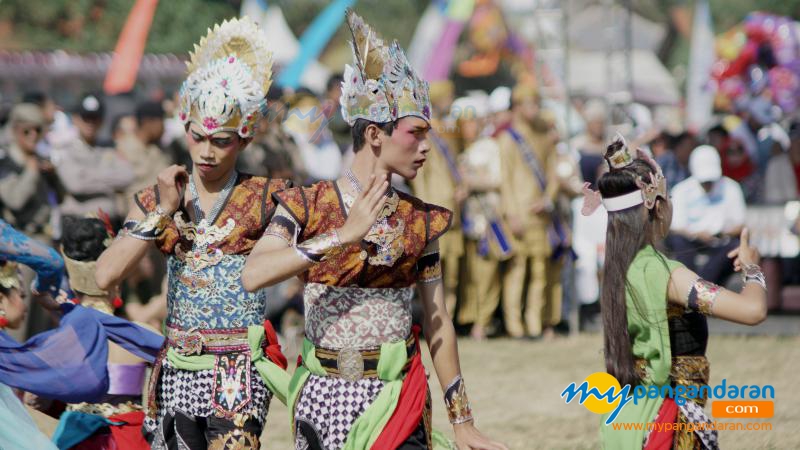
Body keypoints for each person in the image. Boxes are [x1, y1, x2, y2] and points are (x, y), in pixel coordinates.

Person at [242, 11, 506, 450]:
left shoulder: (420, 219)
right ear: (375, 135)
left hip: (398, 399)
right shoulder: (308, 204)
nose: (426, 146)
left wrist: (462, 420)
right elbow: (254, 274)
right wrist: (342, 236)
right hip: (324, 400)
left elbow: (438, 322)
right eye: (415, 133)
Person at [94, 17, 290, 449]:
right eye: (197, 136)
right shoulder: (158, 195)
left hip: (239, 369)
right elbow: (106, 275)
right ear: (184, 126)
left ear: (244, 138)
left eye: (220, 140)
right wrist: (163, 212)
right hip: (178, 366)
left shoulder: (267, 196)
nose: (206, 151)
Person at [582, 136, 767, 448]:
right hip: (666, 425)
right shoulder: (667, 275)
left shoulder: (617, 268)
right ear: (655, 206)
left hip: (625, 420)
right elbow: (753, 311)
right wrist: (752, 269)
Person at [0, 218, 163, 449]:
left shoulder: (62, 341)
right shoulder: (138, 333)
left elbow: (37, 402)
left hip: (75, 438)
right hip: (129, 438)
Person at [496, 83, 564, 339]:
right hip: (518, 213)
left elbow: (553, 173)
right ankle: (514, 325)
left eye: (536, 103)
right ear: (517, 107)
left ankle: (534, 321)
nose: (533, 109)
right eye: (528, 104)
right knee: (517, 268)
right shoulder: (508, 138)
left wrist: (548, 200)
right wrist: (511, 213)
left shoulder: (545, 136)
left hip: (540, 213)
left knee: (540, 270)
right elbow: (506, 179)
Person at [410, 83, 466, 321]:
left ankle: (447, 318)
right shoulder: (425, 132)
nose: (451, 101)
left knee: (452, 272)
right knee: (431, 272)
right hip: (434, 210)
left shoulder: (449, 129)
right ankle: (430, 319)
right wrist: (423, 209)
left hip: (454, 208)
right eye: (448, 96)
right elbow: (420, 177)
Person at [668, 145, 746, 285]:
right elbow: (675, 226)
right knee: (679, 241)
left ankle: (699, 285)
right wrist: (696, 234)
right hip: (691, 240)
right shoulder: (681, 190)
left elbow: (740, 224)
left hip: (722, 240)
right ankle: (690, 284)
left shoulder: (731, 188)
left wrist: (721, 233)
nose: (708, 184)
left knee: (734, 245)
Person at [51, 93, 135, 224]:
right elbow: (75, 185)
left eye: (95, 118)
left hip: (109, 223)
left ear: (101, 121)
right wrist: (109, 181)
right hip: (77, 223)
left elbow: (127, 176)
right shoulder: (64, 149)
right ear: (75, 119)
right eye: (86, 118)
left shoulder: (109, 149)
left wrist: (87, 175)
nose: (90, 123)